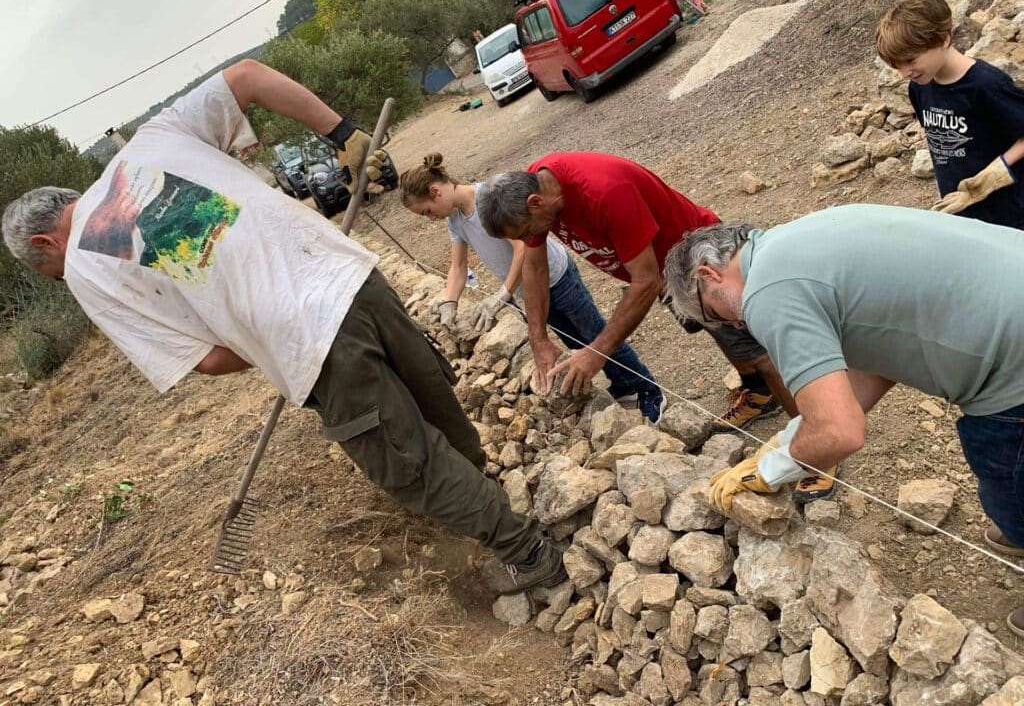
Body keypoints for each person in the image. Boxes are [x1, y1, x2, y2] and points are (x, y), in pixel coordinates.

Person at [1, 60, 565, 595]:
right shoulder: (152, 141)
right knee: (427, 396)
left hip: (307, 340)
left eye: (47, 271)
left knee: (406, 461)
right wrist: (343, 132)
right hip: (352, 276)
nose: (58, 275)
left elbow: (209, 360)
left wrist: (263, 345)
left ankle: (527, 552)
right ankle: (478, 483)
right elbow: (247, 76)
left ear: (44, 243)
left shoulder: (83, 265)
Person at [662, 203, 1024, 635]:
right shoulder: (795, 242)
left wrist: (771, 468)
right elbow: (879, 357)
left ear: (708, 275)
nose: (736, 324)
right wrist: (789, 437)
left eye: (715, 317)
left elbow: (841, 431)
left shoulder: (765, 292)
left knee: (1007, 479)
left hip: (1012, 365)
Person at [475, 154, 811, 480]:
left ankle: (815, 445)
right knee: (716, 331)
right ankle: (759, 394)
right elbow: (534, 265)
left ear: (535, 202)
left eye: (522, 232)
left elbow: (646, 281)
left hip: (700, 262)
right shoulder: (537, 191)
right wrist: (538, 339)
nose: (525, 241)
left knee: (761, 353)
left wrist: (597, 351)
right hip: (665, 270)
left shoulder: (603, 191)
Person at [399, 153, 662, 416]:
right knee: (577, 340)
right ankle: (624, 385)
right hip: (531, 292)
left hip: (557, 279)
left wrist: (504, 293)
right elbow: (458, 267)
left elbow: (523, 249)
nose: (429, 218)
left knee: (596, 332)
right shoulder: (455, 220)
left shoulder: (491, 199)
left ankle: (647, 389)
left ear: (435, 191)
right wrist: (449, 302)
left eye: (426, 211)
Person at [876, 0, 1024, 229]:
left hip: (1007, 216)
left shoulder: (986, 85)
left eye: (911, 60)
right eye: (897, 65)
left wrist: (991, 177)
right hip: (960, 210)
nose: (904, 73)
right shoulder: (920, 87)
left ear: (944, 39)